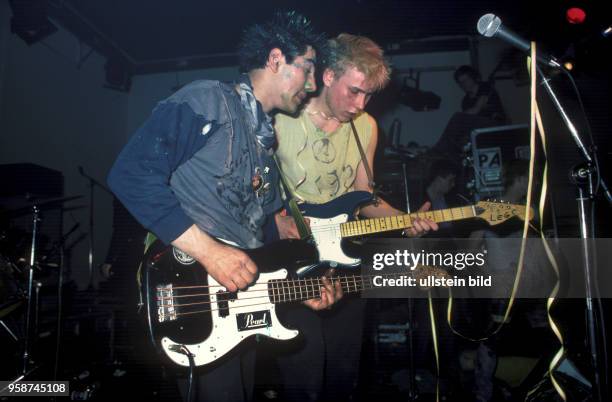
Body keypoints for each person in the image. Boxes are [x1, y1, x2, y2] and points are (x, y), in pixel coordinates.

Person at [107, 12, 342, 402]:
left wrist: (297, 288)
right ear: (275, 59)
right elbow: (130, 174)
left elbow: (262, 246)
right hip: (190, 292)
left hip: (237, 309)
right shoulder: (208, 100)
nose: (314, 84)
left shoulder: (266, 148)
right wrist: (211, 252)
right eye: (309, 69)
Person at [272, 33, 438, 402]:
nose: (361, 104)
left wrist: (402, 219)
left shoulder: (365, 127)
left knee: (343, 376)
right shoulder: (282, 117)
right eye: (354, 91)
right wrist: (274, 221)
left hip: (344, 261)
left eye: (369, 96)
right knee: (305, 374)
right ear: (328, 76)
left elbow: (364, 197)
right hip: (290, 262)